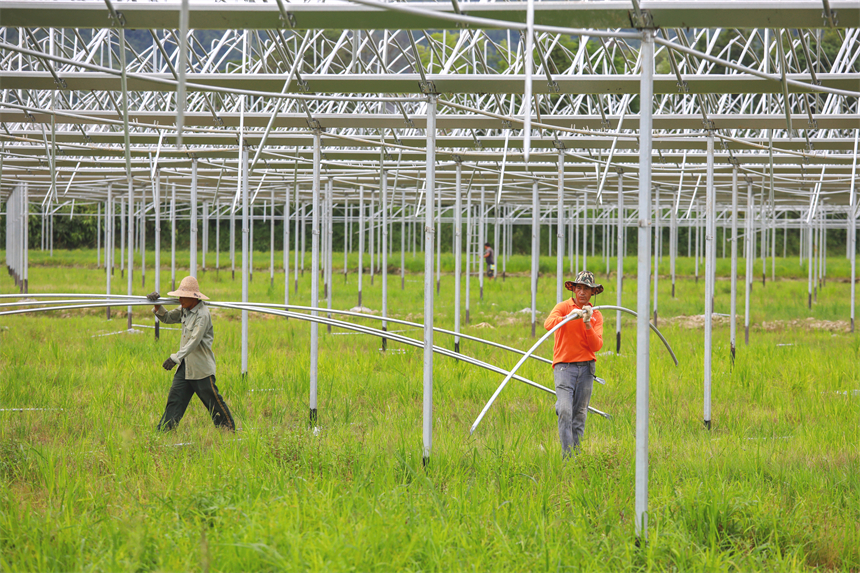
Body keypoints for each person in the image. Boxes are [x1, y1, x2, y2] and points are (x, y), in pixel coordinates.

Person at [146, 276, 235, 432]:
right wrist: (157, 305)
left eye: (183, 296)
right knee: (175, 399)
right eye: (179, 296)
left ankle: (228, 431)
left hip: (201, 369)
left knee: (213, 402)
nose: (180, 299)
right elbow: (167, 317)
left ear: (194, 298)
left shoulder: (202, 315)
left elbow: (194, 341)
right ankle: (163, 433)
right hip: (186, 366)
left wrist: (175, 358)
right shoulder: (185, 309)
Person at [543, 270, 604, 458]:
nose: (583, 292)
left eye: (587, 289)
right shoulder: (563, 307)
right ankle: (567, 458)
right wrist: (569, 317)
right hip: (564, 367)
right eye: (579, 288)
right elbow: (549, 324)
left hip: (586, 369)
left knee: (579, 415)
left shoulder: (596, 315)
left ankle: (577, 456)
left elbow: (596, 345)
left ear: (593, 292)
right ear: (574, 290)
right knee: (564, 411)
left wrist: (586, 323)